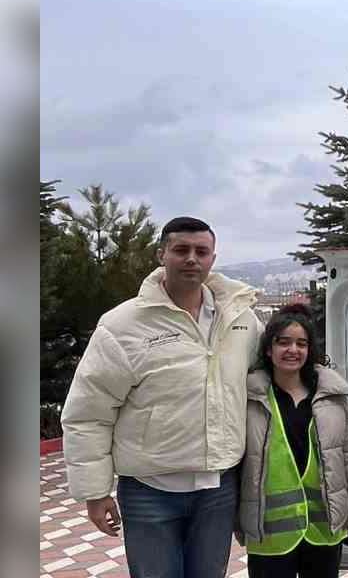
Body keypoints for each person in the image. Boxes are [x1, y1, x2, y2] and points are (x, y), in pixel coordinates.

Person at [61, 217, 263, 577]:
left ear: (212, 259)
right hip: (149, 492)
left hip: (218, 490)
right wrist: (95, 491)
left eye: (201, 251)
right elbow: (89, 413)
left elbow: (271, 377)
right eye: (181, 250)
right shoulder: (123, 326)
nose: (191, 259)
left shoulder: (240, 320)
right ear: (161, 255)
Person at [238, 303, 348, 578]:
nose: (292, 350)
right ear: (268, 349)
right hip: (269, 535)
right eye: (283, 342)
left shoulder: (336, 396)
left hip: (323, 530)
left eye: (301, 343)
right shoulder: (247, 398)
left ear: (310, 350)